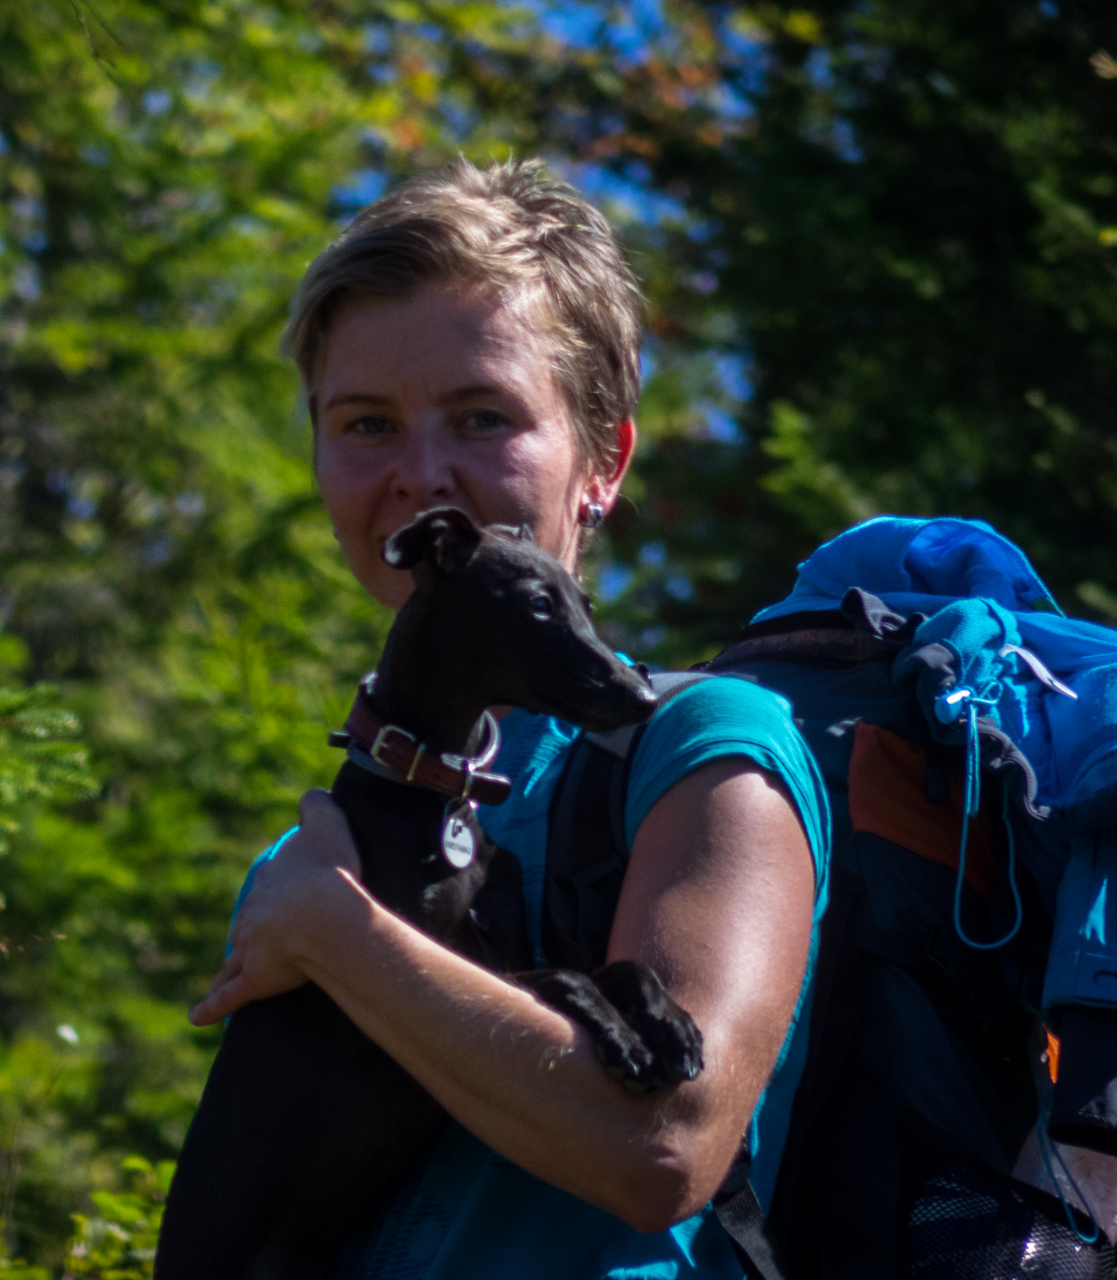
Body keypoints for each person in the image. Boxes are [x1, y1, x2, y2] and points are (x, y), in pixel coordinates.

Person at [185, 159, 833, 1278]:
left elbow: (663, 1144)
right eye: (365, 422)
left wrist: (340, 934)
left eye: (483, 415)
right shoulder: (331, 839)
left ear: (603, 461)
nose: (422, 472)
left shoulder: (706, 750)